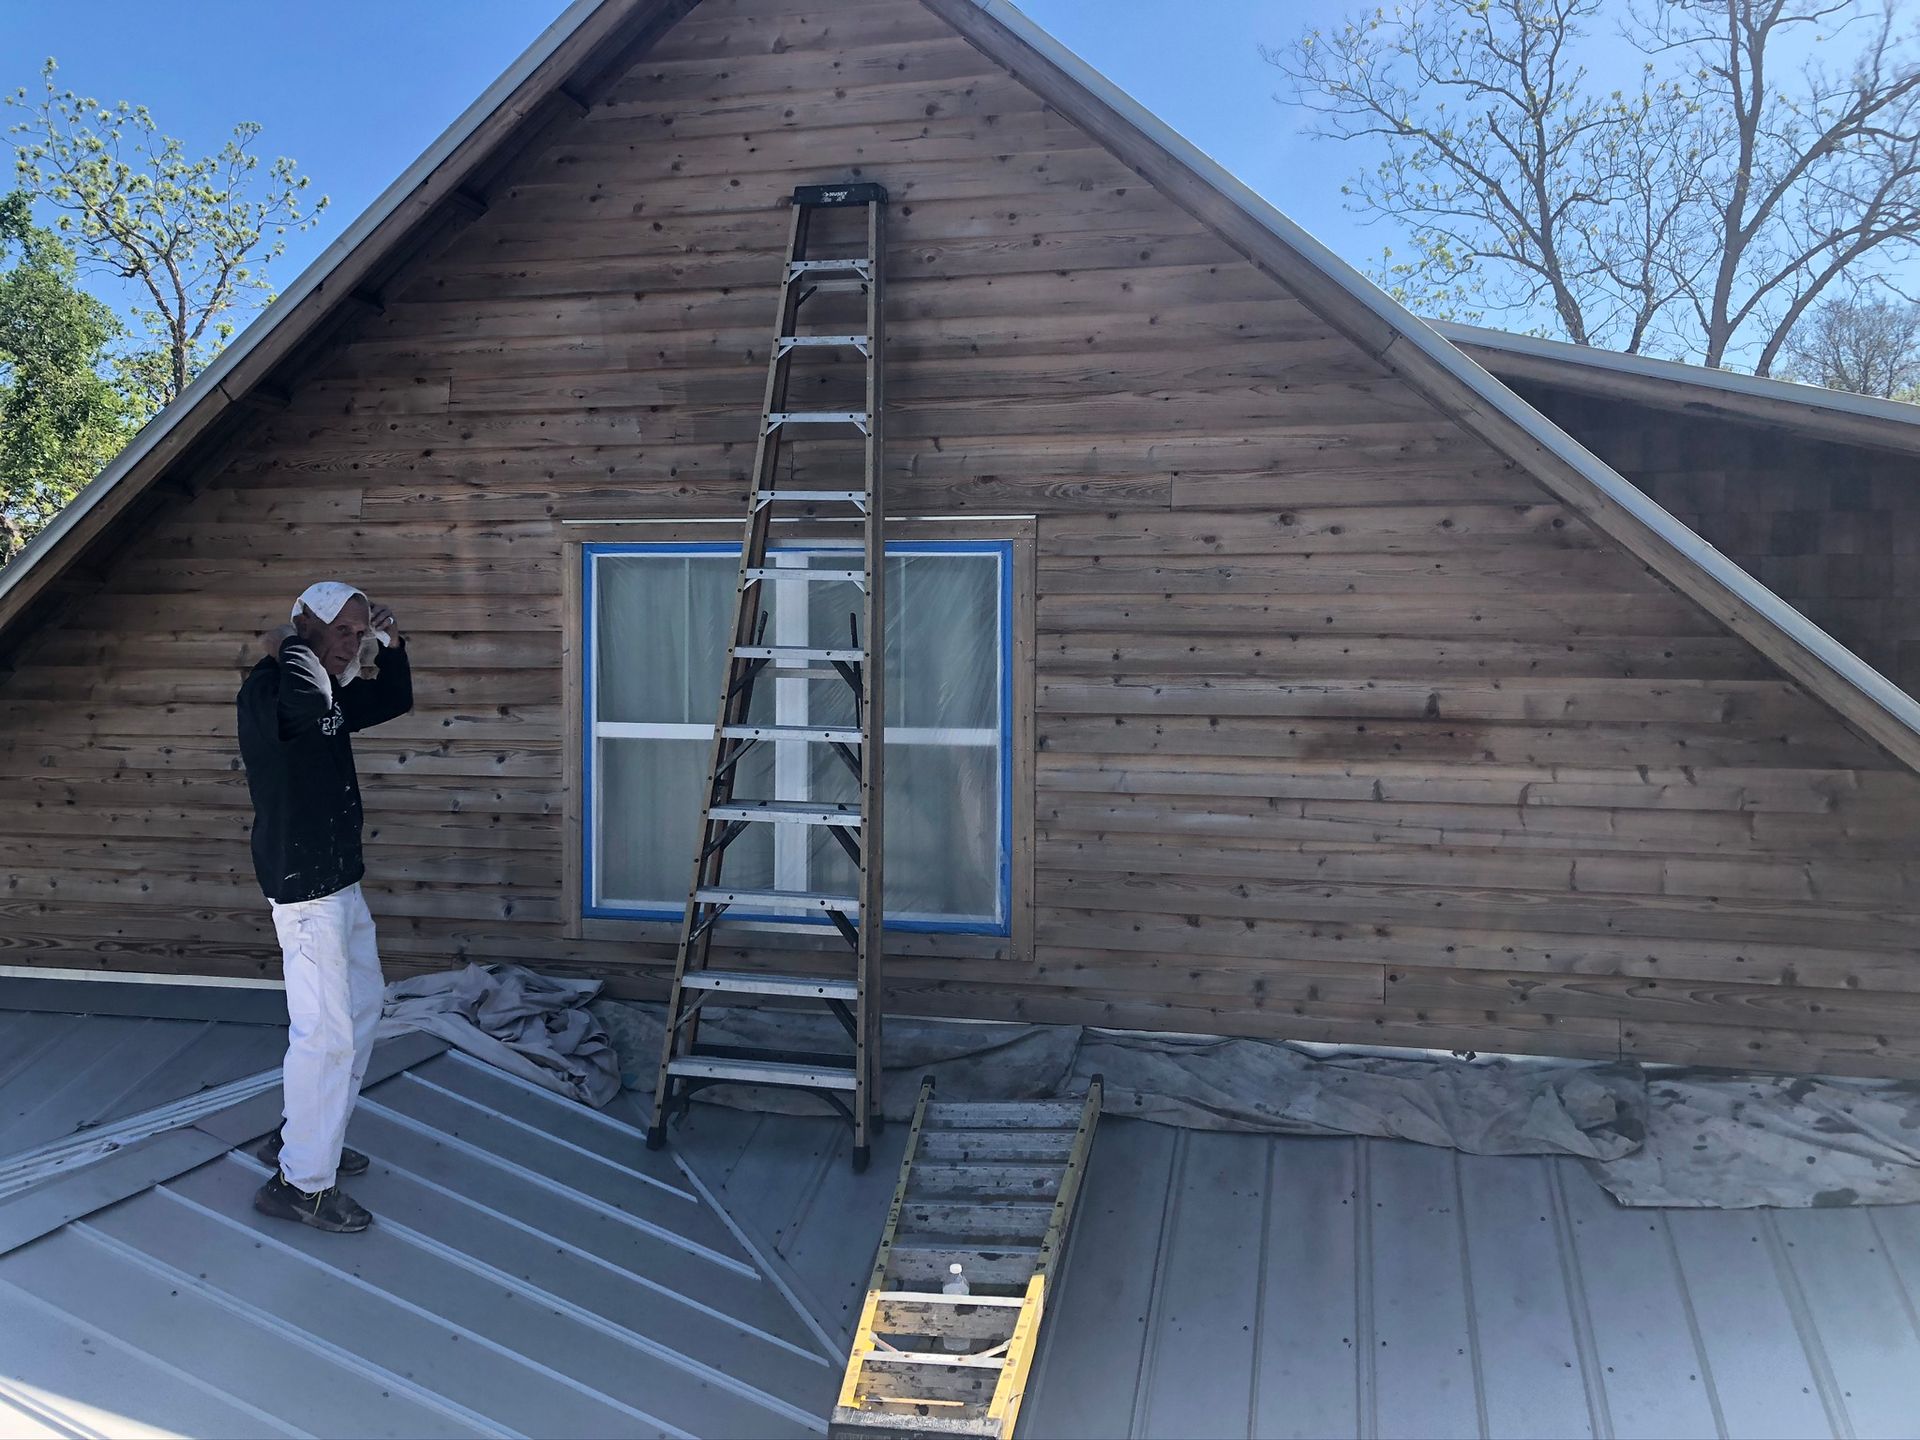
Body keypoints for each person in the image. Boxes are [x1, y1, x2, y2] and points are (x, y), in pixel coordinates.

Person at [236, 581, 412, 1232]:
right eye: (343, 632)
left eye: (359, 634)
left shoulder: (327, 689)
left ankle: (302, 1137)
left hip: (339, 881)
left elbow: (392, 698)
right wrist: (287, 645)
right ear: (304, 625)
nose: (352, 646)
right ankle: (301, 1185)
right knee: (326, 1035)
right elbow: (304, 703)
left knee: (362, 1009)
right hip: (305, 890)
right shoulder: (271, 691)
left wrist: (391, 645)